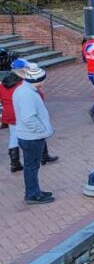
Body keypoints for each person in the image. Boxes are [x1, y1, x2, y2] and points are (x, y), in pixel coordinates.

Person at [12, 62, 54, 204]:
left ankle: (34, 191)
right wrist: (42, 131)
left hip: (29, 136)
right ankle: (32, 194)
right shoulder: (27, 94)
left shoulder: (24, 90)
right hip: (31, 137)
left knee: (32, 166)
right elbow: (29, 117)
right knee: (31, 166)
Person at [0, 67, 23, 172]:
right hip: (20, 112)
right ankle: (42, 156)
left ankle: (14, 163)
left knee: (14, 135)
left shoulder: (2, 85)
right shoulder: (21, 84)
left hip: (8, 112)